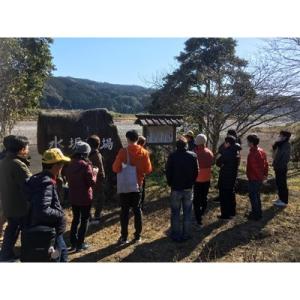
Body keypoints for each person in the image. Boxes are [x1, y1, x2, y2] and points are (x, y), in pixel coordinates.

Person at [24, 148, 70, 262]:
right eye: (62, 164)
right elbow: (43, 210)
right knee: (59, 258)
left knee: (62, 253)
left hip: (43, 230)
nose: (62, 167)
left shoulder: (37, 179)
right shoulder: (46, 183)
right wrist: (60, 214)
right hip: (49, 232)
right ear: (55, 166)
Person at [112, 130, 152, 245]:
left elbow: (115, 168)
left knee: (124, 211)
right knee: (137, 210)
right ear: (137, 139)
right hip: (137, 185)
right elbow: (148, 170)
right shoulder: (144, 152)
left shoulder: (123, 152)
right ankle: (138, 236)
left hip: (125, 185)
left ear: (128, 139)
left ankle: (124, 237)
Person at [0, 135, 32, 262]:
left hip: (8, 202)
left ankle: (6, 253)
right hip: (20, 205)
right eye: (27, 146)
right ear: (22, 149)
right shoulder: (18, 164)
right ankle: (14, 254)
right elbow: (29, 185)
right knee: (22, 229)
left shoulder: (3, 162)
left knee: (11, 228)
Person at [65, 141, 97, 252]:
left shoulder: (70, 163)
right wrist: (95, 174)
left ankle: (73, 243)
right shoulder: (86, 165)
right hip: (85, 197)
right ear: (85, 153)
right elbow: (91, 182)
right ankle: (80, 243)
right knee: (84, 220)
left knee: (75, 219)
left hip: (73, 196)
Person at [165, 137, 199, 242]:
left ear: (177, 146)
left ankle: (175, 234)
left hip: (175, 187)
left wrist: (170, 183)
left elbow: (168, 171)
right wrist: (192, 182)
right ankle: (186, 234)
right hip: (188, 188)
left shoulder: (172, 156)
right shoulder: (193, 156)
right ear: (186, 145)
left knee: (175, 213)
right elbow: (196, 172)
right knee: (187, 212)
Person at [216, 135, 241, 219]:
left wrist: (222, 163)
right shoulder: (237, 152)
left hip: (225, 177)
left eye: (225, 143)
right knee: (231, 194)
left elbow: (218, 162)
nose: (224, 144)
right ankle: (232, 212)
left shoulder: (227, 152)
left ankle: (225, 214)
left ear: (228, 143)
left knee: (224, 196)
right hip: (233, 176)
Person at [193, 134, 214, 226]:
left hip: (197, 179)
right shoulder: (209, 152)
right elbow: (212, 163)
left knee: (196, 200)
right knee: (204, 197)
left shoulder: (194, 153)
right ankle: (202, 211)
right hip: (207, 178)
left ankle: (198, 218)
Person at [246, 134, 268, 220]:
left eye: (248, 141)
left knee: (253, 195)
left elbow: (253, 168)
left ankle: (256, 214)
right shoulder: (261, 150)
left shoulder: (253, 154)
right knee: (257, 195)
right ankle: (258, 212)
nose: (247, 143)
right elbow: (266, 164)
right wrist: (265, 175)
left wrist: (258, 177)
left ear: (251, 143)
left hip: (254, 178)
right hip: (259, 177)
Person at [87, 135, 106, 223]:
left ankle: (89, 217)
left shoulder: (87, 154)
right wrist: (102, 178)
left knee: (90, 199)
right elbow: (100, 169)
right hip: (97, 180)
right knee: (100, 199)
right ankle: (97, 216)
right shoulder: (96, 154)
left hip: (89, 180)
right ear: (98, 144)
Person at [272, 130, 291, 207]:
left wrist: (277, 165)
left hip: (281, 168)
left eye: (281, 136)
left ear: (285, 137)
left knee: (282, 184)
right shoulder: (281, 144)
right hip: (278, 167)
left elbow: (284, 158)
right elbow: (275, 155)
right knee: (279, 183)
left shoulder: (286, 145)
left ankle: (284, 201)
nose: (279, 137)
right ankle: (280, 198)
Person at [137, 135, 147, 211]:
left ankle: (134, 205)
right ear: (143, 143)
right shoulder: (144, 152)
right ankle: (140, 205)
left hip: (132, 174)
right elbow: (148, 167)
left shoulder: (132, 149)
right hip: (141, 174)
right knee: (142, 190)